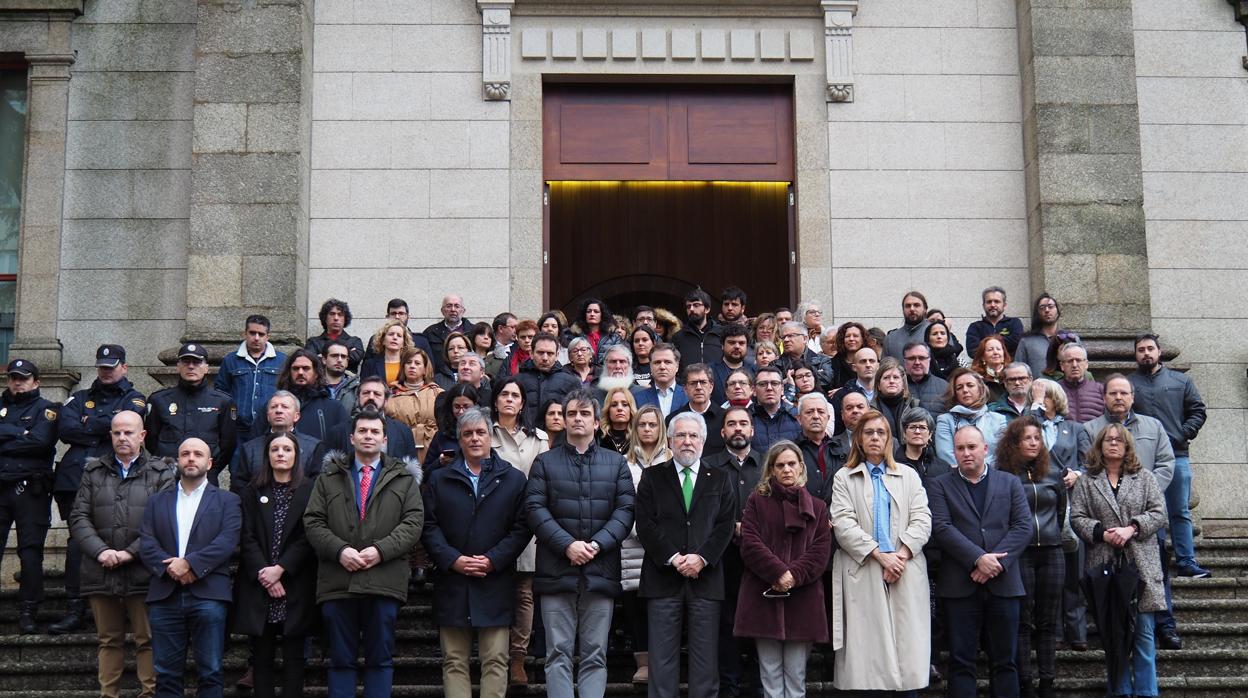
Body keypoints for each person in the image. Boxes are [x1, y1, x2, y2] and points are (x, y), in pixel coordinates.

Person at [304, 407, 425, 698]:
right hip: (338, 582)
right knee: (340, 660)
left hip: (383, 581)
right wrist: (340, 550)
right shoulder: (328, 477)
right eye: (363, 431)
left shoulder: (403, 478)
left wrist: (380, 551)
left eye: (375, 432)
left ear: (385, 439)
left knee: (379, 660)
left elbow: (413, 522)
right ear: (351, 437)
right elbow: (313, 521)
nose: (368, 436)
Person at [525, 389, 635, 698]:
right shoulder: (544, 463)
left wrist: (597, 545)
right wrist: (567, 545)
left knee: (595, 653)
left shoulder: (616, 464)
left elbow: (625, 511)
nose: (576, 419)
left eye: (584, 414)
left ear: (597, 422)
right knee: (557, 651)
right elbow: (534, 508)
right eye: (571, 413)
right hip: (556, 569)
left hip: (600, 570)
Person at [423, 406, 530, 698]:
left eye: (480, 432)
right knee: (454, 660)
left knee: (496, 659)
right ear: (459, 440)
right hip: (452, 581)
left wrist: (494, 559)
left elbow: (522, 528)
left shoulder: (513, 479)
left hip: (494, 580)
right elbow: (428, 527)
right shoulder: (439, 479)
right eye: (467, 433)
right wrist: (453, 560)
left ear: (490, 437)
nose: (474, 439)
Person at [69, 412, 175, 697]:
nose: (122, 438)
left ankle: (149, 693)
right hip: (100, 569)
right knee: (108, 640)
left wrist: (130, 553)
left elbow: (164, 521)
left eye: (128, 433)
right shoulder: (94, 471)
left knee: (148, 640)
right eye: (117, 433)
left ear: (142, 436)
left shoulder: (161, 472)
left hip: (145, 571)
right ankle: (109, 694)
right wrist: (101, 551)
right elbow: (79, 517)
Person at [635, 411, 737, 698]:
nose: (687, 441)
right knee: (662, 661)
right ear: (669, 440)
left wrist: (701, 558)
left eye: (693, 436)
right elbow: (645, 523)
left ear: (703, 441)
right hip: (663, 578)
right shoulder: (652, 477)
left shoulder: (720, 478)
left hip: (706, 581)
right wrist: (674, 557)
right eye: (681, 435)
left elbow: (725, 525)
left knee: (705, 663)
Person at [927, 425, 1034, 698]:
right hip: (959, 585)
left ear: (985, 449)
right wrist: (977, 559)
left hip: (1004, 583)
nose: (966, 453)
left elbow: (1022, 527)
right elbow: (941, 527)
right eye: (960, 448)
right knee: (961, 662)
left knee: (1005, 661)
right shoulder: (939, 484)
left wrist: (993, 564)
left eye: (972, 447)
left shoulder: (1009, 482)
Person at [830, 411, 932, 695]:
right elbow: (843, 523)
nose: (875, 437)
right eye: (869, 433)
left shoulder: (908, 475)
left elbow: (922, 519)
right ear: (859, 440)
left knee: (906, 651)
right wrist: (880, 555)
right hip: (865, 568)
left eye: (881, 432)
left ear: (889, 439)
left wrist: (899, 555)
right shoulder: (845, 477)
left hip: (904, 568)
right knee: (869, 655)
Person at [1081, 374, 1181, 650]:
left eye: (1124, 393)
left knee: (1155, 573)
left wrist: (1145, 493)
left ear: (1132, 397)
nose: (1118, 397)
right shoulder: (1090, 430)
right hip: (1108, 523)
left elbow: (1166, 464)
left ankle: (1165, 624)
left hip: (1146, 519)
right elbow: (1087, 470)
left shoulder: (1154, 426)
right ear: (1104, 397)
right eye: (1113, 393)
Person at [53, 344, 147, 634]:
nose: (106, 371)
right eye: (102, 366)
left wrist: (88, 422)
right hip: (73, 478)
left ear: (125, 367)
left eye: (112, 365)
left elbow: (127, 425)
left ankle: (119, 606)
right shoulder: (79, 398)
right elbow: (64, 429)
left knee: (121, 536)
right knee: (77, 543)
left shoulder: (136, 399)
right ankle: (74, 608)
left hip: (115, 478)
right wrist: (102, 424)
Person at [139, 437, 242, 698]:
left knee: (210, 671)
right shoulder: (156, 501)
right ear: (178, 461)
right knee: (166, 674)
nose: (191, 458)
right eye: (185, 453)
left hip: (208, 595)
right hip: (165, 594)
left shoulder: (228, 501)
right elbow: (147, 542)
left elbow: (227, 541)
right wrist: (171, 568)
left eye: (198, 454)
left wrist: (190, 564)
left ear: (209, 462)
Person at [1069, 424, 1168, 698]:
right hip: (1105, 564)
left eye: (1118, 439)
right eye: (1108, 439)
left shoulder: (1145, 478)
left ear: (1127, 445)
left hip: (1140, 564)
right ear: (1099, 445)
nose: (1113, 443)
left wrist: (1132, 528)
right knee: (1114, 636)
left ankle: (1147, 692)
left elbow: (1159, 513)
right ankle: (1121, 691)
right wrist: (1102, 533)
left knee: (1144, 634)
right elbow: (1076, 518)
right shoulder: (1087, 481)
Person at [733, 441, 831, 698]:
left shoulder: (818, 507)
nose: (787, 469)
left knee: (797, 676)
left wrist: (794, 575)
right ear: (771, 469)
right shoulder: (757, 501)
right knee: (770, 675)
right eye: (780, 465)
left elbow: (820, 551)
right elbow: (751, 543)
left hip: (803, 600)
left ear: (801, 467)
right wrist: (778, 572)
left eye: (792, 464)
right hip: (762, 597)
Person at [233, 432, 317, 698]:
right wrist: (265, 573)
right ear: (267, 456)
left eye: (287, 449)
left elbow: (309, 535)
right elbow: (246, 536)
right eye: (275, 449)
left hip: (295, 583)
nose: (280, 454)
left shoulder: (310, 490)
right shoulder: (252, 491)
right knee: (261, 658)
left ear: (296, 455)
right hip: (259, 585)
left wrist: (280, 570)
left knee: (294, 658)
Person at [1128, 333, 1210, 578]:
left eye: (1150, 348)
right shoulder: (1129, 384)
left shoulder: (1180, 381)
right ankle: (1156, 561)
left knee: (1179, 510)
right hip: (1142, 459)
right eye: (1141, 350)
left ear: (1159, 352)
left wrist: (1182, 434)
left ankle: (1186, 561)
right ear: (1136, 354)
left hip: (1177, 455)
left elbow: (1198, 411)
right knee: (1147, 512)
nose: (1146, 353)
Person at [995, 416, 1067, 698]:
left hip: (1051, 551)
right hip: (1020, 555)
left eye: (1037, 438)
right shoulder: (1003, 475)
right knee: (1023, 622)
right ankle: (1025, 683)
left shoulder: (1053, 473)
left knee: (1048, 621)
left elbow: (1060, 512)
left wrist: (1052, 535)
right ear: (1014, 442)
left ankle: (1047, 683)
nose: (1034, 443)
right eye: (1027, 438)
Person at [489, 378, 550, 686]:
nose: (510, 400)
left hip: (527, 523)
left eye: (515, 395)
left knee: (525, 593)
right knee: (497, 590)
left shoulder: (538, 438)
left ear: (523, 403)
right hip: (492, 522)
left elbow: (544, 480)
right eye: (504, 394)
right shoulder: (483, 434)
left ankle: (517, 659)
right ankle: (495, 656)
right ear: (496, 400)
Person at [704, 405, 764, 696]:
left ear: (752, 430)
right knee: (725, 625)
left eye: (743, 423)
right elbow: (702, 510)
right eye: (732, 424)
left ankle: (757, 687)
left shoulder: (767, 464)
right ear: (722, 431)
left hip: (761, 560)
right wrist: (731, 527)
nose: (738, 428)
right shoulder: (708, 466)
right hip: (721, 559)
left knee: (759, 622)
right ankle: (728, 687)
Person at [0, 359, 56, 634]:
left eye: (23, 377)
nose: (17, 382)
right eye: (13, 377)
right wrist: (19, 432)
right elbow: (29, 440)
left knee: (30, 552)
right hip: (1, 487)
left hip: (30, 489)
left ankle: (28, 610)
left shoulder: (46, 410)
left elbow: (40, 442)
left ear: (36, 381)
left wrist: (7, 438)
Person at [1034, 378, 1090, 653]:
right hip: (1042, 507)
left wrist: (1077, 474)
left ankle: (1076, 631)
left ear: (1055, 398)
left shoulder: (1076, 428)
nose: (1040, 400)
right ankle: (1053, 631)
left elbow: (1090, 463)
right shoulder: (1030, 428)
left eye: (1044, 396)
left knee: (1074, 572)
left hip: (1071, 505)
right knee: (1051, 575)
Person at [621, 405, 674, 684]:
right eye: (642, 425)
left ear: (661, 428)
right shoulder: (624, 463)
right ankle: (642, 662)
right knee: (635, 604)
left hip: (665, 546)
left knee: (664, 605)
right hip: (632, 544)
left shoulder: (673, 460)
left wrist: (661, 539)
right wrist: (641, 532)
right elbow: (622, 503)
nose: (647, 429)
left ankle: (664, 661)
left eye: (653, 425)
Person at [145, 344, 237, 485]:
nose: (191, 366)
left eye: (197, 362)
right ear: (178, 366)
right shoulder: (159, 400)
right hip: (167, 478)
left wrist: (211, 468)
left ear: (206, 367)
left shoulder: (222, 402)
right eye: (186, 362)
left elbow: (228, 444)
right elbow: (151, 441)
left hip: (206, 477)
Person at [231, 391, 326, 492]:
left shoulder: (313, 447)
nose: (278, 410)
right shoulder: (250, 448)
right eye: (274, 407)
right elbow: (239, 487)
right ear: (268, 416)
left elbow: (318, 489)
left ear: (296, 416)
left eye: (284, 407)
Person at [215, 315, 286, 441]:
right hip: (238, 430)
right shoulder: (231, 360)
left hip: (270, 429)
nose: (256, 338)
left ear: (267, 337)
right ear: (245, 334)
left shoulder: (281, 361)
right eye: (252, 333)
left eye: (261, 334)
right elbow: (221, 393)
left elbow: (287, 392)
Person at [330, 375, 420, 459]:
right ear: (358, 398)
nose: (371, 397)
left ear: (386, 401)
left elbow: (411, 471)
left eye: (377, 394)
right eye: (366, 393)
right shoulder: (339, 432)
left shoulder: (403, 432)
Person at [936, 368, 1009, 466]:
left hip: (993, 476)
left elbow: (1001, 454)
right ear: (955, 393)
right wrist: (968, 471)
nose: (965, 390)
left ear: (980, 389)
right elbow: (946, 455)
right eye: (959, 388)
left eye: (970, 385)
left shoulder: (998, 419)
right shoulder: (945, 420)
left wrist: (981, 470)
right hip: (957, 477)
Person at [273, 348, 348, 443]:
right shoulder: (274, 407)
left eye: (306, 368)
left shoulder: (334, 408)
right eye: (296, 368)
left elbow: (343, 445)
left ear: (316, 373)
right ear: (289, 372)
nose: (300, 372)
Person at [515, 333, 581, 428]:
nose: (545, 358)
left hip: (559, 439)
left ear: (557, 355)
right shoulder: (517, 381)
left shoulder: (571, 382)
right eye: (540, 353)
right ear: (531, 353)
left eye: (550, 353)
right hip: (525, 437)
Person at [385, 347, 443, 452]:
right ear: (403, 367)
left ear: (425, 369)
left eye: (417, 363)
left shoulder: (438, 393)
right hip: (401, 447)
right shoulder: (390, 394)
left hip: (434, 449)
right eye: (408, 362)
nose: (412, 366)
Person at [670, 362, 727, 452]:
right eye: (693, 383)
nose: (698, 387)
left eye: (703, 382)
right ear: (685, 389)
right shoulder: (673, 420)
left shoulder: (726, 418)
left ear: (711, 387)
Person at [422, 384, 480, 470]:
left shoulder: (484, 432)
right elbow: (425, 472)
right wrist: (439, 462)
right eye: (457, 407)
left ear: (475, 406)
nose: (461, 411)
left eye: (466, 407)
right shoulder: (442, 435)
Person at [306, 298, 367, 372]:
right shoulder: (313, 342)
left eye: (340, 315)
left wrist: (323, 356)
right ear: (325, 318)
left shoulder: (355, 341)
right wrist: (347, 353)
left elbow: (356, 358)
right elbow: (310, 361)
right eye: (332, 314)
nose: (336, 318)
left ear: (345, 319)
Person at [830, 347, 880, 434]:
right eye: (863, 361)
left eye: (872, 361)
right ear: (854, 367)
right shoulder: (841, 395)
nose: (868, 365)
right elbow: (837, 429)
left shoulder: (886, 393)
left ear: (878, 366)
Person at [672, 287, 724, 371]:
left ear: (707, 309)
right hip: (688, 383)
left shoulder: (721, 333)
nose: (691, 309)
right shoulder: (678, 337)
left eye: (696, 305)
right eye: (688, 306)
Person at [750, 365, 800, 452]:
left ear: (782, 389)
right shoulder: (745, 418)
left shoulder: (798, 417)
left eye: (774, 383)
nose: (769, 388)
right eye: (763, 384)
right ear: (754, 390)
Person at [966, 286, 1025, 358]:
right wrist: (1004, 342)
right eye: (989, 302)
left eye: (997, 301)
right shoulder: (975, 327)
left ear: (1004, 305)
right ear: (983, 306)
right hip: (983, 368)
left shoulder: (1014, 323)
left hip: (1010, 367)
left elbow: (1017, 344)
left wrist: (985, 342)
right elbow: (972, 351)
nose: (993, 305)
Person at [631, 343, 688, 417]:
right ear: (650, 367)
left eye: (667, 362)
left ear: (677, 366)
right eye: (657, 362)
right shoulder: (637, 398)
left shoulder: (688, 395)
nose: (662, 367)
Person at [1014, 294, 1061, 379]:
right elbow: (1017, 370)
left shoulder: (1070, 338)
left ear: (1057, 311)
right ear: (1037, 313)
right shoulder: (1027, 341)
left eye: (1050, 306)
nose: (1047, 310)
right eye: (1042, 307)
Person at [424, 294, 473, 372]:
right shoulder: (430, 332)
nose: (453, 309)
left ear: (463, 311)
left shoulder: (474, 331)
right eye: (449, 306)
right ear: (442, 311)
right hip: (438, 379)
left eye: (457, 306)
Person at [359, 318, 415, 387]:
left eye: (399, 335)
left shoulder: (410, 364)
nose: (395, 338)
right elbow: (363, 388)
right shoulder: (370, 364)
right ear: (382, 340)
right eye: (391, 334)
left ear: (404, 343)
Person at [874, 356, 920, 437]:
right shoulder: (870, 409)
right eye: (886, 378)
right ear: (878, 385)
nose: (891, 381)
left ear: (903, 384)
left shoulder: (914, 406)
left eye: (896, 377)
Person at [1057, 343, 1103, 423]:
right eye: (1070, 361)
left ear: (1086, 364)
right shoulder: (1054, 390)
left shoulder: (1100, 390)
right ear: (1062, 366)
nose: (1074, 365)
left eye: (1078, 360)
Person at [709, 323, 753, 405]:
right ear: (722, 345)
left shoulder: (755, 371)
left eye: (741, 343)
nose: (737, 346)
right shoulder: (709, 371)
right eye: (732, 342)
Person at [903, 341, 949, 417]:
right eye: (911, 358)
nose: (917, 362)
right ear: (904, 361)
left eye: (921, 358)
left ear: (929, 360)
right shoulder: (897, 387)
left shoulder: (945, 387)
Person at [884, 291, 931, 360]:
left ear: (925, 309)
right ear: (903, 310)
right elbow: (885, 368)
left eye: (916, 305)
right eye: (908, 306)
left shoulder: (937, 334)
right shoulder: (890, 339)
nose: (912, 309)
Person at [972, 334, 1011, 403]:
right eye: (990, 350)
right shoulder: (976, 379)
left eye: (998, 349)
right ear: (982, 357)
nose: (995, 352)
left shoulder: (1012, 375)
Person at [599, 386, 637, 456]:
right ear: (608, 410)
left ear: (631, 409)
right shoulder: (598, 437)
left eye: (625, 405)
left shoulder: (639, 437)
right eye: (614, 405)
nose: (619, 408)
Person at [322, 340, 360, 409]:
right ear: (324, 360)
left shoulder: (357, 388)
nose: (339, 360)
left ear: (347, 362)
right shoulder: (313, 385)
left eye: (343, 357)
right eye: (334, 356)